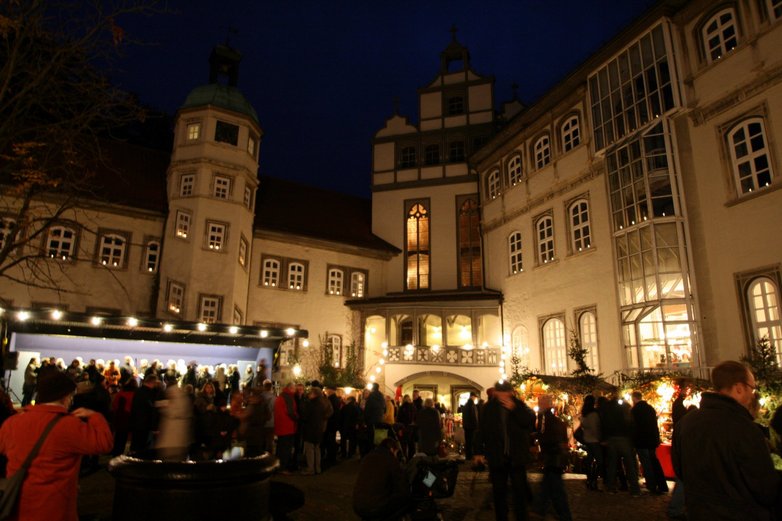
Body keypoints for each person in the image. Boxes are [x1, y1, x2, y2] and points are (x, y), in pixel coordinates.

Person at [672, 360, 779, 520]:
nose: (752, 394)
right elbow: (763, 486)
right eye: (752, 388)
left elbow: (679, 469)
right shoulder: (745, 428)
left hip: (700, 512)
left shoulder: (686, 422)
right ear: (739, 388)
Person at [0, 371, 113, 521]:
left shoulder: (12, 423)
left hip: (18, 504)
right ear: (66, 397)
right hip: (54, 506)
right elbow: (104, 443)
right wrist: (94, 416)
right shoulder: (69, 425)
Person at [473, 381, 536, 521]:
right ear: (496, 393)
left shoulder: (519, 405)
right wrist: (478, 452)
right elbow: (481, 431)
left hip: (516, 456)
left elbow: (529, 422)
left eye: (505, 392)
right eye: (500, 393)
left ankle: (521, 517)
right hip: (497, 456)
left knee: (519, 491)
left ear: (510, 392)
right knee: (499, 492)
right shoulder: (488, 408)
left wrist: (515, 409)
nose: (502, 396)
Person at [532, 394, 573, 521]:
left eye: (541, 402)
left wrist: (537, 439)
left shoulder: (548, 419)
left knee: (556, 488)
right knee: (547, 485)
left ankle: (564, 514)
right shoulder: (549, 419)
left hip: (554, 457)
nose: (538, 404)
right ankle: (541, 509)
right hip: (553, 457)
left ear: (547, 404)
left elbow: (549, 437)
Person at [352, 437, 411, 521]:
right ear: (392, 449)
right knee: (405, 500)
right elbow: (402, 488)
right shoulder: (391, 460)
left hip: (358, 505)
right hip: (375, 507)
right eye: (396, 452)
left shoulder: (368, 457)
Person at [600, 396, 640, 496]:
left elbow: (603, 423)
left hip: (611, 438)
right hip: (624, 438)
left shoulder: (607, 408)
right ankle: (634, 489)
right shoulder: (625, 407)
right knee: (629, 464)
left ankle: (611, 487)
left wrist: (604, 437)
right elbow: (631, 423)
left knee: (612, 464)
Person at [630, 390, 668, 494]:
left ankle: (651, 485)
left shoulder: (635, 410)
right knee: (654, 461)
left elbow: (634, 427)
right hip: (651, 440)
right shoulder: (650, 408)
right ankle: (662, 484)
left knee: (646, 463)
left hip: (642, 441)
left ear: (634, 398)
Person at [274, 382, 299, 473]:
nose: (295, 390)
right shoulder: (288, 397)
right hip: (287, 427)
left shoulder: (281, 396)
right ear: (290, 388)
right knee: (285, 449)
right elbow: (290, 412)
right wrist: (297, 418)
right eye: (294, 388)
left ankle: (277, 466)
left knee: (280, 448)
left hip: (281, 426)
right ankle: (282, 468)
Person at [579, 395, 602, 491]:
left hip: (587, 439)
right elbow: (595, 428)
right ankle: (593, 479)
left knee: (590, 459)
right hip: (594, 440)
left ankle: (590, 479)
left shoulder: (584, 414)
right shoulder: (594, 414)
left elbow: (584, 426)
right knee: (600, 461)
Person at [462, 391, 479, 460]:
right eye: (475, 397)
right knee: (471, 441)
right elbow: (474, 416)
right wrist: (476, 426)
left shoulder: (466, 404)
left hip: (466, 426)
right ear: (472, 396)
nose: (475, 398)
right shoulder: (471, 405)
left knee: (468, 441)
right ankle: (470, 456)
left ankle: (468, 455)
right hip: (471, 426)